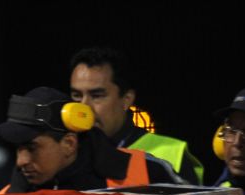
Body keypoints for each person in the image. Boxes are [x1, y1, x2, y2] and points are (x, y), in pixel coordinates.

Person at [0, 86, 185, 193]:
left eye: (32, 148)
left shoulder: (146, 172)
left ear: (69, 144)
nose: (21, 161)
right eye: (18, 149)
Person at [69, 46, 204, 185]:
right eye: (76, 96)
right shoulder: (63, 155)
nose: (84, 108)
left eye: (97, 96)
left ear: (126, 99)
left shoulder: (173, 153)